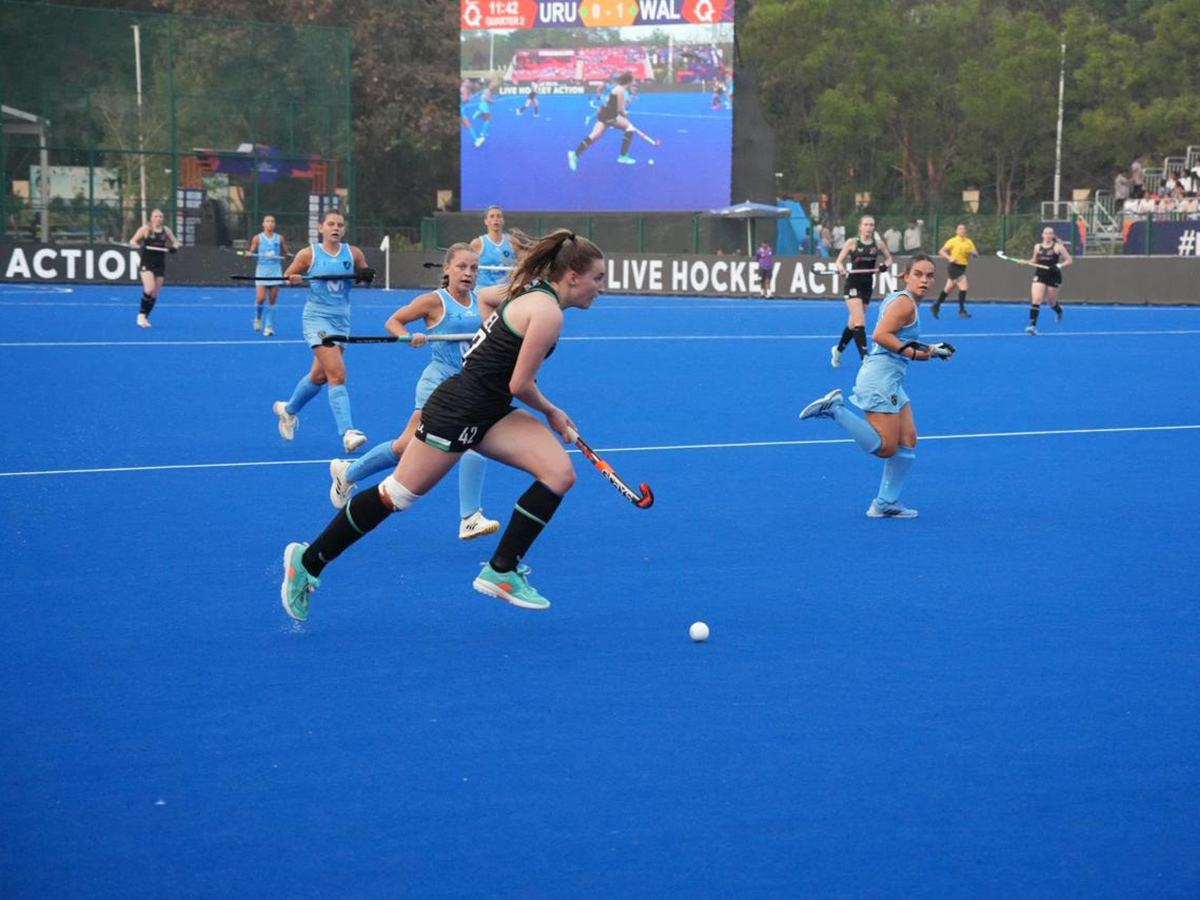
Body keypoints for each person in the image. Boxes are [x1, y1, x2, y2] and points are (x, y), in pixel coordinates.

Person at [280, 230, 608, 619]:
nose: (601, 288)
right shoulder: (548, 312)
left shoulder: (530, 290)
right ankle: (308, 560)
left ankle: (500, 570)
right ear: (572, 276)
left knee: (558, 473)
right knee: (396, 495)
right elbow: (519, 384)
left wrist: (490, 341)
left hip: (490, 407)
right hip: (459, 408)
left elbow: (486, 299)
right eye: (597, 278)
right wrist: (552, 411)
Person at [329, 230, 537, 539]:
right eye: (462, 267)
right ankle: (349, 473)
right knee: (416, 447)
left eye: (473, 268)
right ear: (447, 269)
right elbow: (394, 320)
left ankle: (349, 473)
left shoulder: (483, 299)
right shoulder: (433, 301)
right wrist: (409, 336)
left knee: (435, 443)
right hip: (438, 382)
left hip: (470, 383)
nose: (468, 273)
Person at [799, 255, 954, 518]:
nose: (925, 280)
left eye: (929, 275)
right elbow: (880, 335)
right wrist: (918, 355)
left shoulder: (903, 300)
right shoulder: (905, 304)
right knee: (885, 448)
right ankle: (835, 409)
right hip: (880, 378)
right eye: (918, 274)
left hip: (890, 378)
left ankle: (885, 502)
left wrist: (933, 349)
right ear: (907, 276)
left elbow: (897, 337)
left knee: (908, 439)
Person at [271, 209, 374, 454]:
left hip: (342, 319)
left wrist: (366, 275)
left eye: (339, 224)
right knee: (336, 374)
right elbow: (287, 276)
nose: (335, 228)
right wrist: (293, 279)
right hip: (317, 318)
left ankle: (288, 410)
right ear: (321, 228)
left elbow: (365, 275)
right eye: (330, 224)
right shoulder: (309, 254)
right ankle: (348, 432)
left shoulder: (354, 253)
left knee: (319, 376)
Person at [831, 214, 895, 366]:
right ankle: (865, 357)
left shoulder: (878, 244)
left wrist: (885, 266)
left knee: (853, 323)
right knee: (860, 321)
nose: (869, 228)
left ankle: (838, 350)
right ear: (860, 227)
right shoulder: (852, 243)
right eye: (866, 225)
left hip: (867, 285)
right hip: (853, 283)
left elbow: (889, 259)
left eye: (871, 225)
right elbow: (838, 262)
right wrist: (840, 269)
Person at [568, 72, 639, 170]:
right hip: (610, 116)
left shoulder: (616, 88)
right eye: (633, 81)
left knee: (594, 135)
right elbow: (620, 110)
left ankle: (575, 154)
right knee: (630, 128)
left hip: (603, 115)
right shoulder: (621, 90)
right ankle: (623, 156)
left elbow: (609, 101)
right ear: (629, 81)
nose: (634, 83)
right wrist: (625, 113)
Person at [128, 208, 182, 328]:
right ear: (151, 218)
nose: (158, 219)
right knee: (149, 288)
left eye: (160, 216)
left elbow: (176, 243)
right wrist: (138, 246)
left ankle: (145, 317)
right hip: (147, 262)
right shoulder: (145, 229)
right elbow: (132, 241)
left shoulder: (166, 230)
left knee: (154, 293)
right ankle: (141, 316)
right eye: (156, 216)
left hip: (159, 263)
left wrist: (174, 248)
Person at [247, 215, 290, 337]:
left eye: (272, 221)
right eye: (267, 221)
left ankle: (269, 326)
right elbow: (252, 252)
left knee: (272, 299)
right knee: (261, 299)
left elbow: (286, 252)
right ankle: (258, 317)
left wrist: (287, 256)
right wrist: (249, 254)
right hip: (261, 271)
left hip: (275, 271)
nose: (270, 223)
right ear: (263, 224)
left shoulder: (279, 238)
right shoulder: (257, 238)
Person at [1025, 226, 1072, 335]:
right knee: (1036, 300)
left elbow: (1069, 260)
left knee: (1051, 302)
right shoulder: (1037, 247)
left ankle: (1059, 310)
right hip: (1040, 274)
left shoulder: (1058, 247)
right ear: (1042, 235)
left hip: (1053, 275)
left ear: (1053, 235)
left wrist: (1059, 265)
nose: (1048, 235)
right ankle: (1032, 326)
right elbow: (1035, 260)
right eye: (1046, 233)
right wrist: (1027, 261)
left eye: (1050, 233)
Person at [933, 223, 978, 318]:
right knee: (964, 287)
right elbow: (941, 251)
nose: (962, 231)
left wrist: (973, 253)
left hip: (962, 267)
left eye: (963, 229)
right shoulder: (952, 241)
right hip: (954, 267)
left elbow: (975, 254)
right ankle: (962, 310)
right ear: (956, 231)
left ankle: (936, 305)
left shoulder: (969, 242)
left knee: (948, 289)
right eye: (960, 229)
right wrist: (949, 257)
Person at [470, 206, 515, 288]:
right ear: (486, 221)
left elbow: (523, 263)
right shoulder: (477, 243)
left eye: (498, 216)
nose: (496, 219)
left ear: (503, 221)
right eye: (492, 216)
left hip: (505, 291)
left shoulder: (513, 242)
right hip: (484, 290)